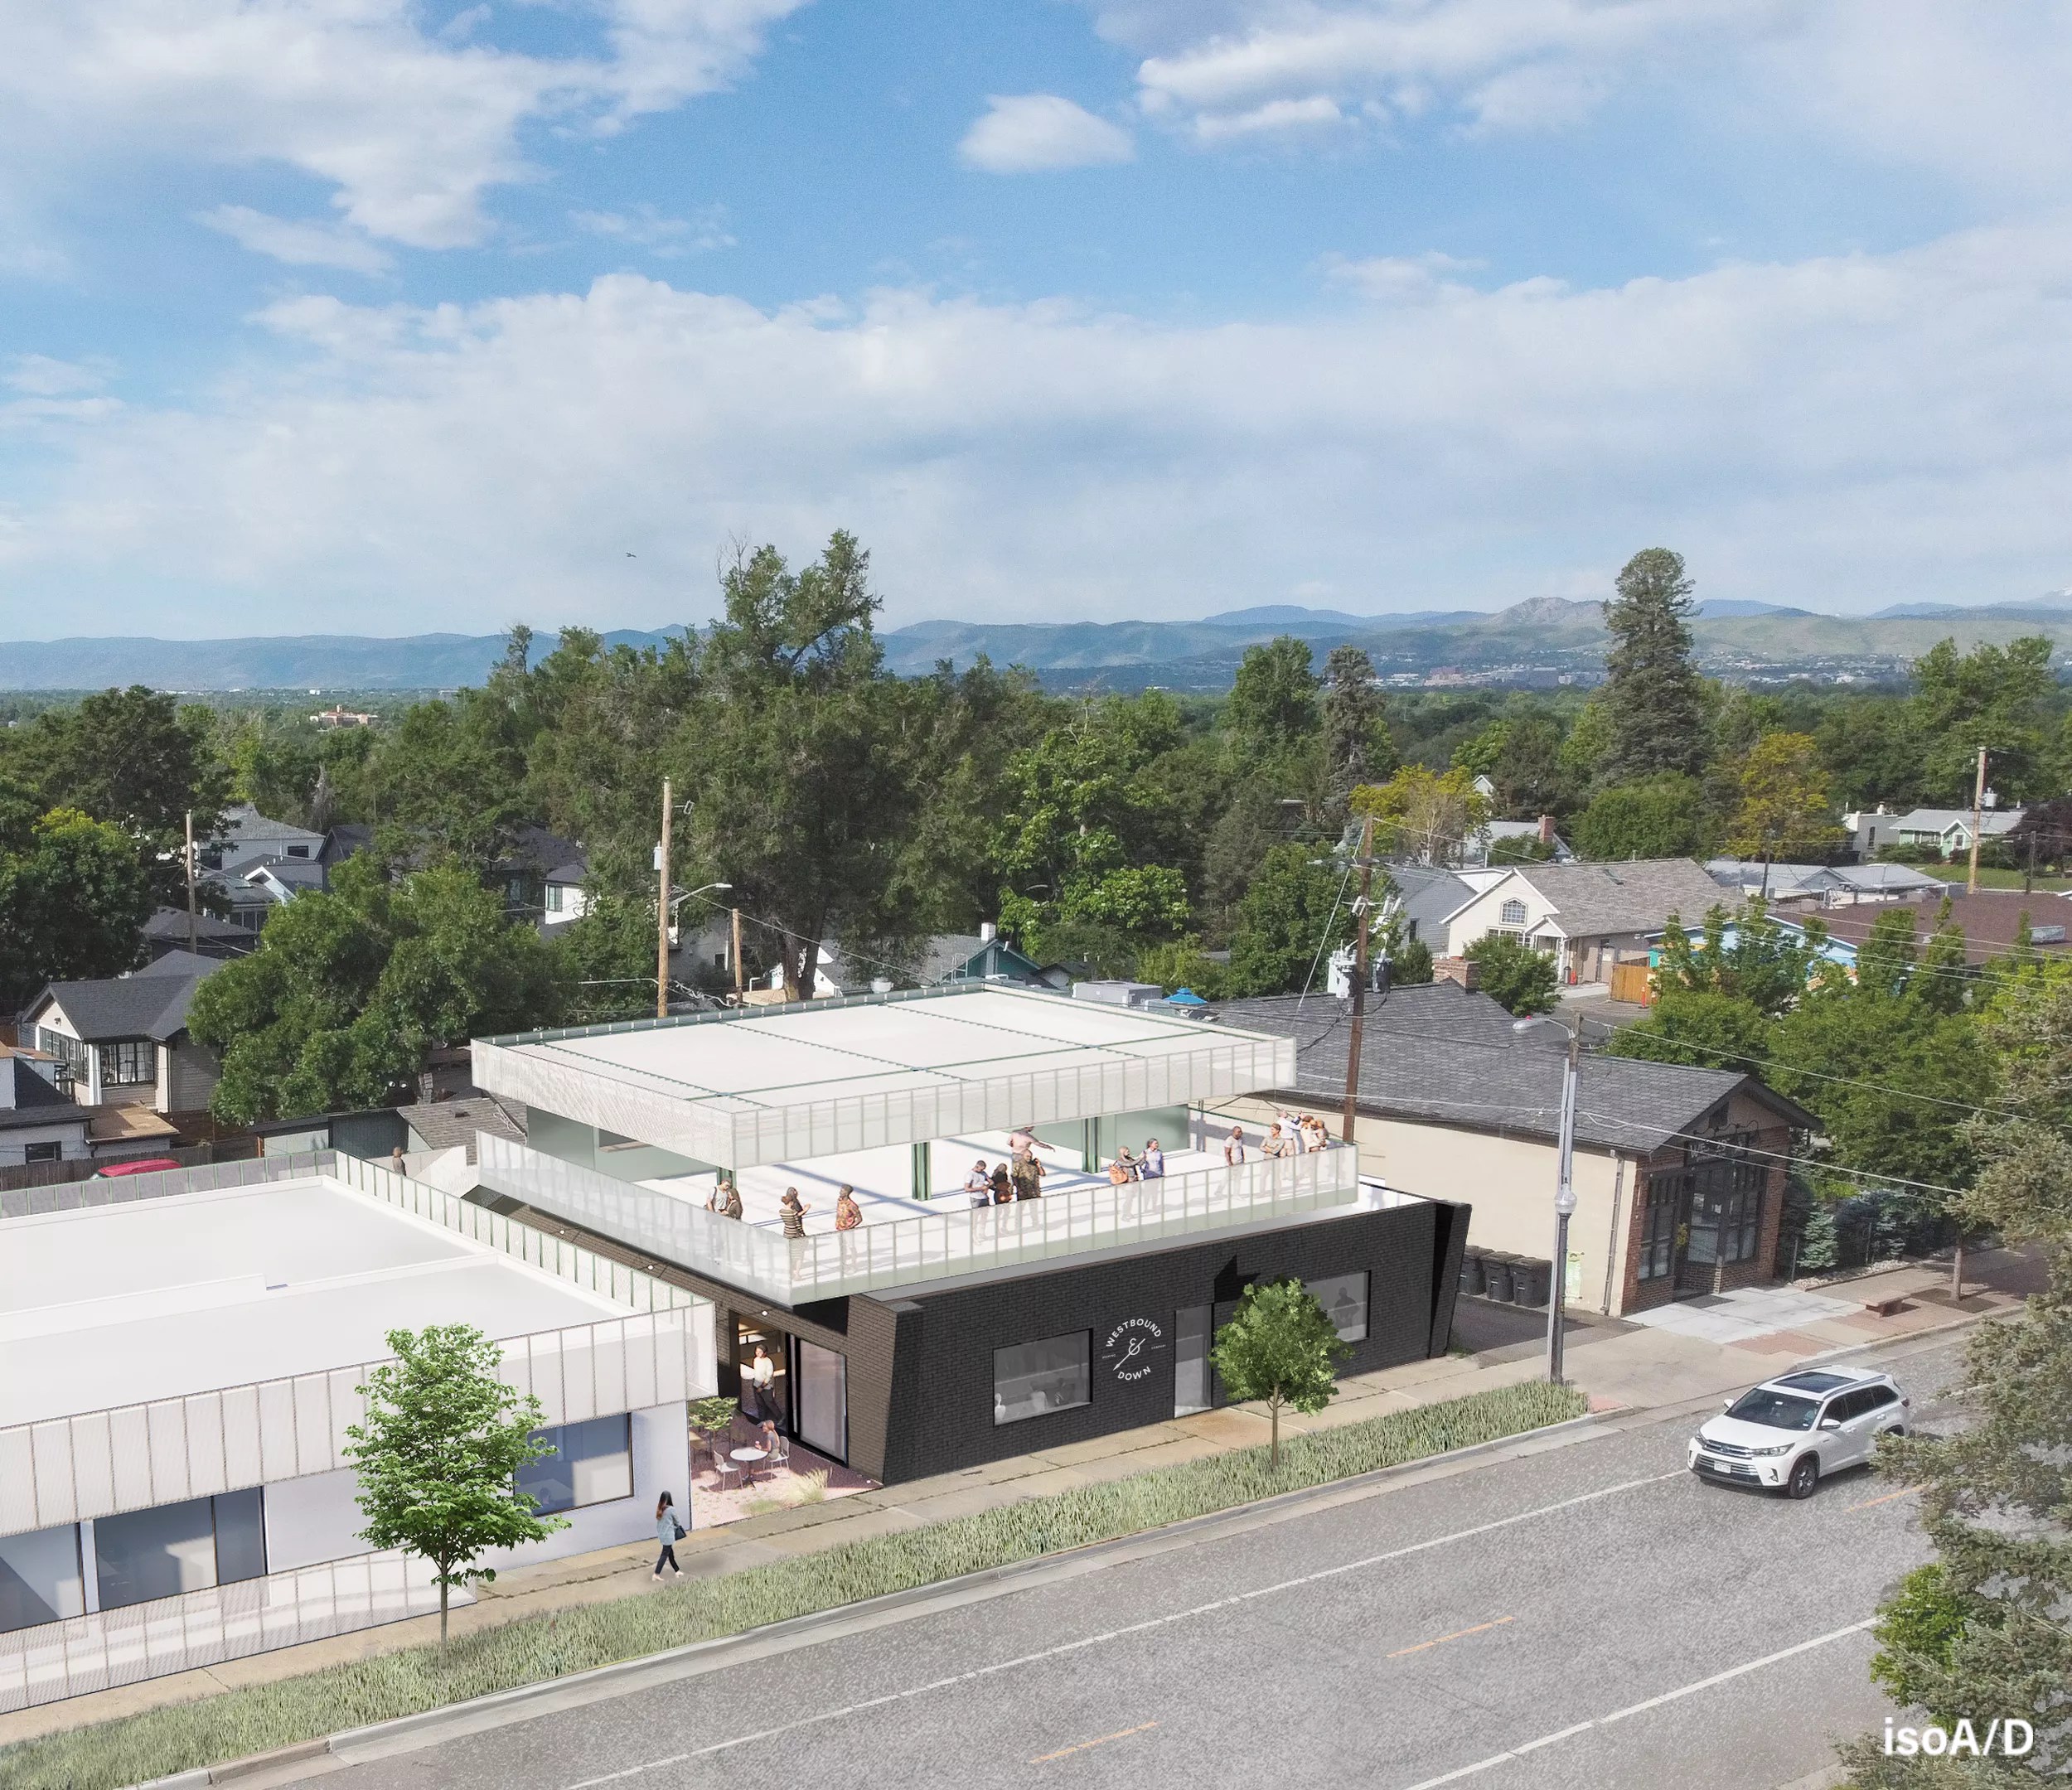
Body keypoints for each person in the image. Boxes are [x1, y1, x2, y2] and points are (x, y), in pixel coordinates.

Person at [653, 1491, 683, 1580]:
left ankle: (677, 1571)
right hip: (669, 1536)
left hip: (662, 1535)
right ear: (670, 1498)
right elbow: (678, 1522)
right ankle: (656, 1574)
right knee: (664, 1555)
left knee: (670, 1554)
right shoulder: (671, 1510)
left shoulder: (659, 1509)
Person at [746, 1342, 775, 1419]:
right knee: (760, 1403)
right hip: (756, 1384)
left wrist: (762, 1387)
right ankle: (762, 1419)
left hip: (766, 1386)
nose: (757, 1353)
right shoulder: (756, 1360)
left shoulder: (768, 1362)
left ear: (765, 1353)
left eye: (760, 1352)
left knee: (770, 1403)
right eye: (756, 1351)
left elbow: (769, 1376)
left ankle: (779, 1417)